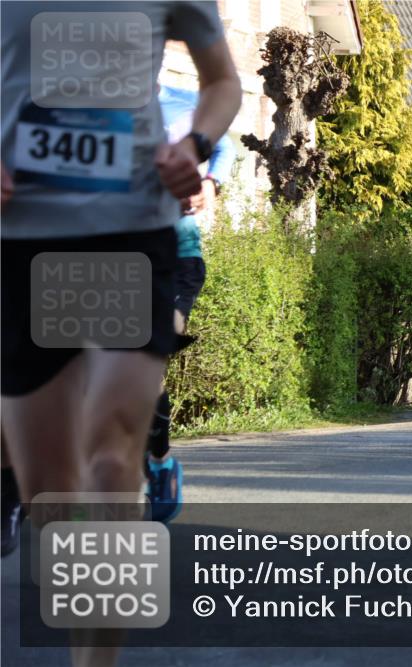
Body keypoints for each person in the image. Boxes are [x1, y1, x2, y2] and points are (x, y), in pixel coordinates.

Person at [1, 3, 240, 664]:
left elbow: (222, 80)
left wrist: (194, 145)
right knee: (50, 497)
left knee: (112, 447)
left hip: (129, 232)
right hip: (21, 241)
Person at [145, 85, 236, 523]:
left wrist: (209, 180)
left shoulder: (184, 105)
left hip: (175, 258)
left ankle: (159, 465)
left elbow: (227, 143)